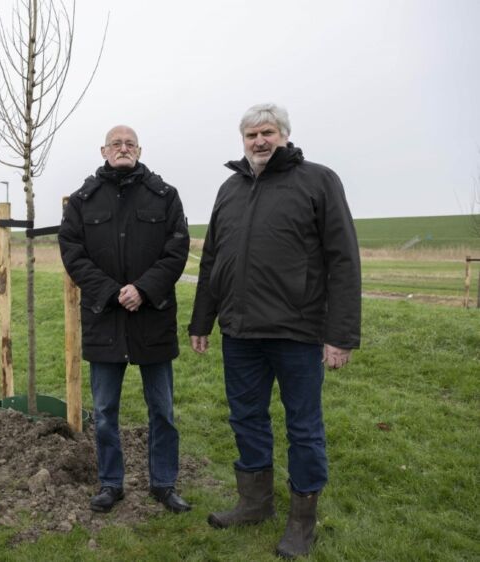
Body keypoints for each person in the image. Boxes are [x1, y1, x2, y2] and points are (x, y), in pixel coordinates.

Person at [189, 103, 361, 558]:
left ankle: (302, 522)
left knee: (304, 428)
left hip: (298, 332)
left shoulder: (318, 181)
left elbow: (343, 259)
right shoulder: (229, 189)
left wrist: (340, 334)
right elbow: (212, 261)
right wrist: (201, 320)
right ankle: (254, 503)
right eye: (251, 135)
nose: (259, 141)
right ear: (242, 141)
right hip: (241, 333)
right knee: (245, 418)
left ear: (284, 135)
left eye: (268, 132)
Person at [58, 125, 192, 514]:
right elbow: (72, 251)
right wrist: (111, 291)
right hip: (105, 318)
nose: (123, 148)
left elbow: (177, 248)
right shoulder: (84, 199)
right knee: (104, 413)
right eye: (116, 144)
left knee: (162, 410)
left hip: (153, 318)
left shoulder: (164, 195)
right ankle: (110, 483)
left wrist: (144, 289)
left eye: (129, 144)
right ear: (103, 150)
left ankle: (164, 484)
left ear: (139, 149)